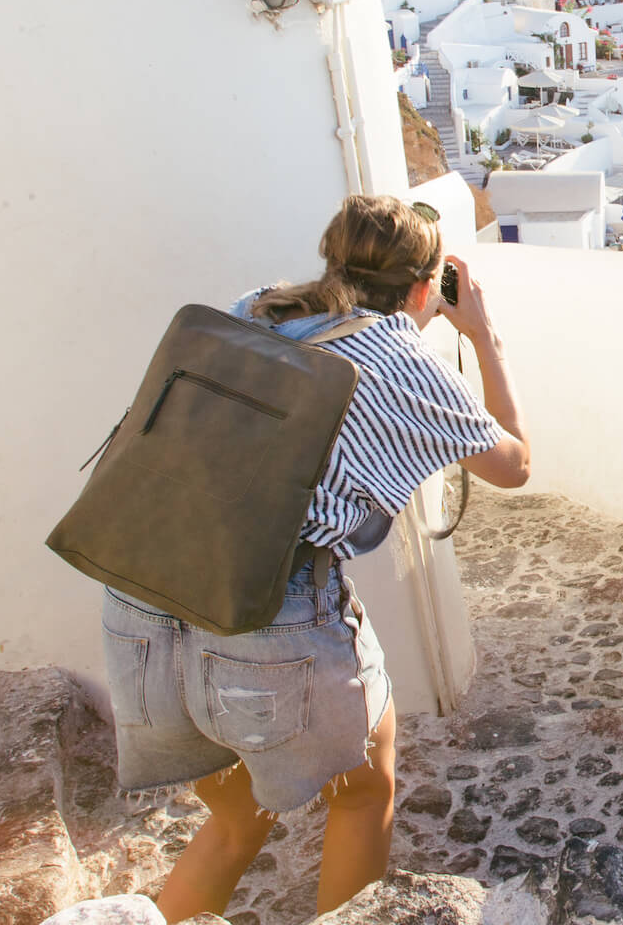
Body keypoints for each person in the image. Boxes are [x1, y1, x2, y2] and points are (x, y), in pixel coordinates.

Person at [100, 195, 529, 921]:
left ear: (334, 257)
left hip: (144, 605)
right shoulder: (405, 362)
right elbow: (512, 466)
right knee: (365, 792)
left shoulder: (255, 307)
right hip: (272, 621)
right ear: (425, 288)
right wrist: (482, 337)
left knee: (238, 818)